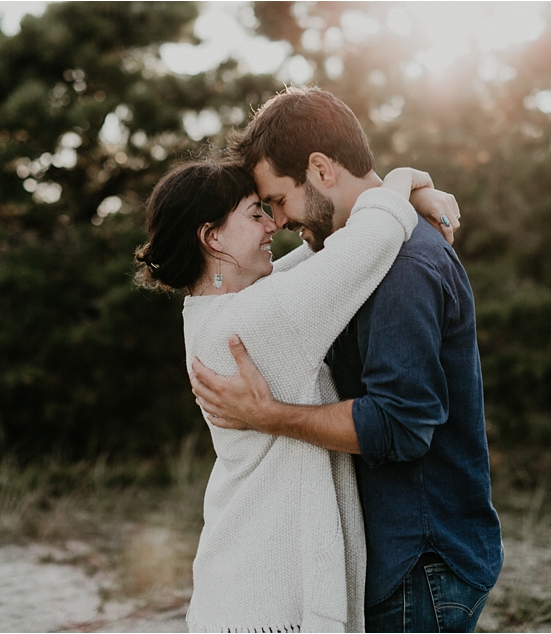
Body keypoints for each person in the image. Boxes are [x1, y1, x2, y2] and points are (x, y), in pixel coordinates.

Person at [190, 86, 504, 633]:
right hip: (404, 559)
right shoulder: (358, 253)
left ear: (320, 169)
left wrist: (270, 417)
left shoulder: (400, 264)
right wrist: (411, 187)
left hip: (419, 561)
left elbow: (400, 424)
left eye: (279, 200)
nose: (279, 221)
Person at [134, 153, 458, 632]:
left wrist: (404, 197)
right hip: (268, 598)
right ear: (212, 237)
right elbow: (369, 240)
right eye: (254, 213)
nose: (272, 225)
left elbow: (324, 252)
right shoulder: (258, 321)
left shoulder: (214, 311)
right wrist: (406, 178)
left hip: (242, 584)